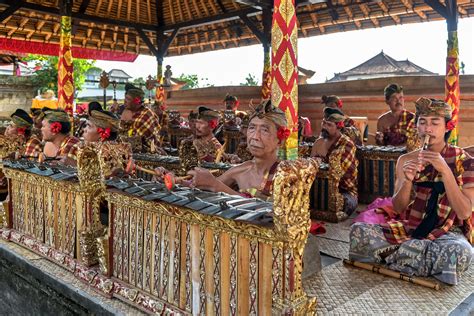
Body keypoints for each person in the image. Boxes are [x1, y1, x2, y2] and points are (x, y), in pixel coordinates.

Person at [350, 97, 474, 285]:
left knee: (461, 252)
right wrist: (407, 181)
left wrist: (446, 171)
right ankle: (424, 259)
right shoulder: (405, 160)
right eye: (422, 122)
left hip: (448, 232)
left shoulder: (464, 160)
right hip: (412, 226)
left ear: (447, 126)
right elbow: (398, 209)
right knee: (358, 232)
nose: (427, 129)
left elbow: (465, 212)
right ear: (416, 126)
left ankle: (398, 257)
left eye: (434, 123)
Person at [185, 100, 290, 201]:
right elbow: (206, 185)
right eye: (252, 128)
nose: (255, 137)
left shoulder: (288, 174)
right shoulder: (242, 169)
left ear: (280, 140)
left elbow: (273, 211)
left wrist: (216, 186)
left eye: (265, 130)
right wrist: (177, 181)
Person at [311, 107, 358, 215]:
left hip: (343, 191)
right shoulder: (319, 142)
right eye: (324, 123)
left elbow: (343, 176)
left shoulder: (347, 144)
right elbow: (311, 170)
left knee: (343, 203)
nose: (324, 127)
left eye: (329, 125)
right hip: (319, 188)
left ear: (339, 126)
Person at [120, 84, 161, 152]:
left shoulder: (146, 115)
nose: (125, 101)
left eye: (128, 99)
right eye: (125, 98)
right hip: (130, 148)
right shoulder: (128, 111)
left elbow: (137, 139)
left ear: (137, 102)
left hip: (148, 151)